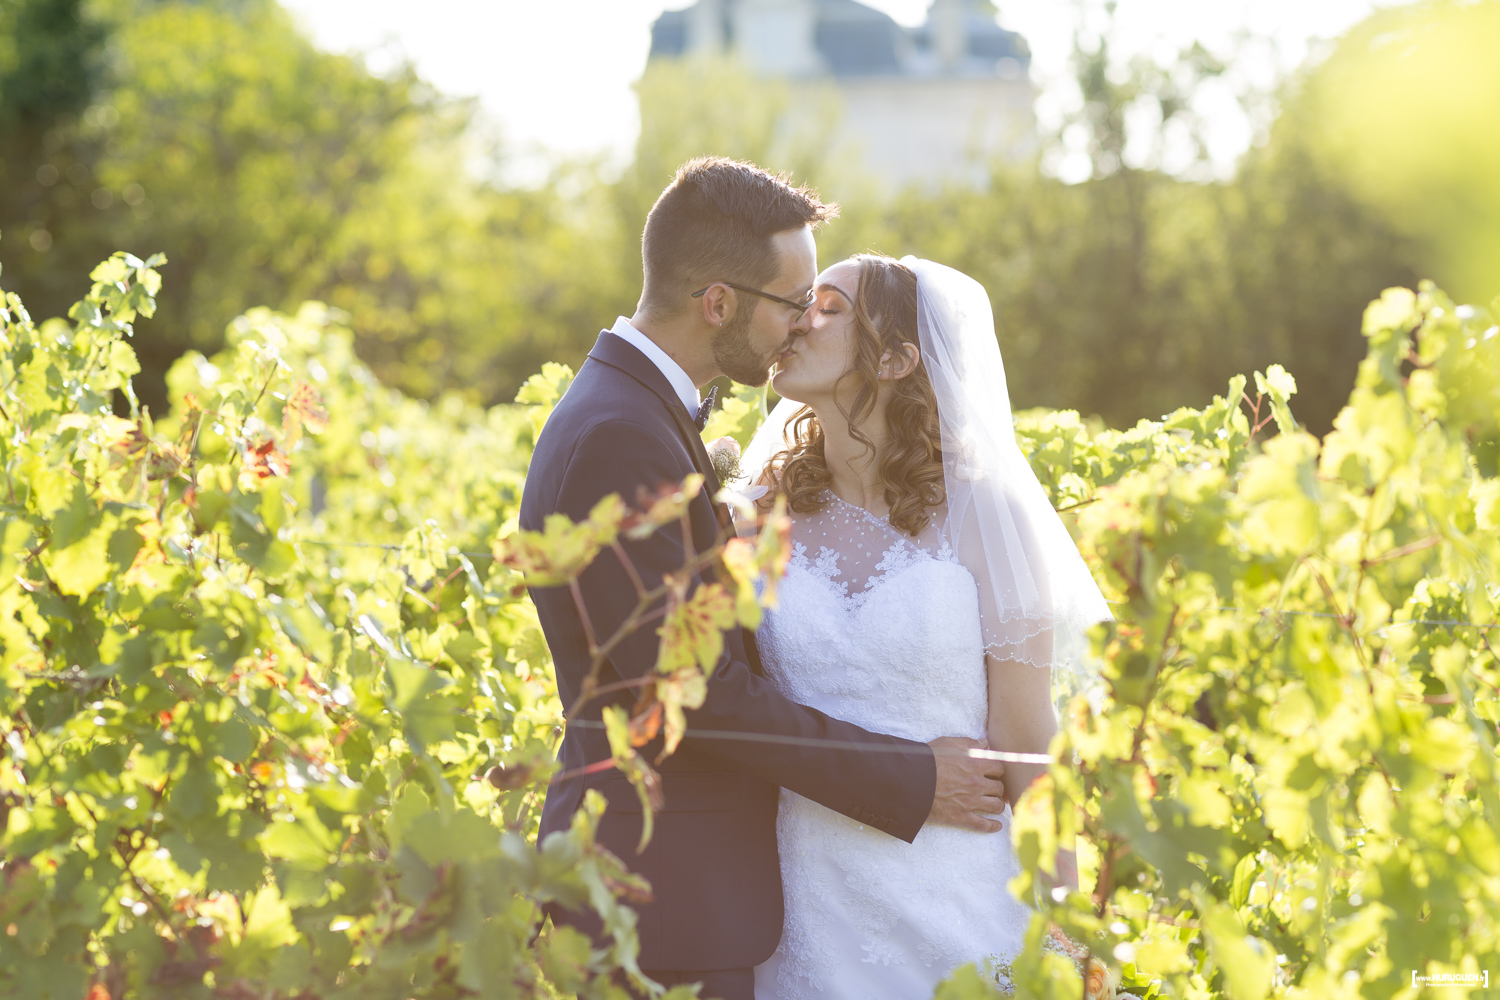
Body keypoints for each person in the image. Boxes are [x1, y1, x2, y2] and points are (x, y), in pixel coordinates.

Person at [519, 158, 1011, 1000]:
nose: (800, 325)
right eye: (793, 302)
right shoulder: (620, 434)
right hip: (659, 900)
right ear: (719, 303)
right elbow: (693, 692)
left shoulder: (635, 414)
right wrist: (915, 777)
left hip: (698, 895)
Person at [740, 254, 1112, 999]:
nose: (799, 320)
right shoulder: (753, 517)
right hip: (805, 904)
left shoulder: (984, 511)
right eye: (804, 303)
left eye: (831, 308)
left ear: (898, 359)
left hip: (958, 887)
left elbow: (1026, 733)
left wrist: (1069, 931)